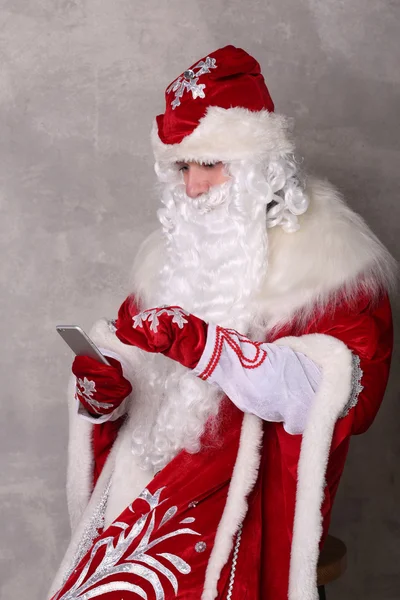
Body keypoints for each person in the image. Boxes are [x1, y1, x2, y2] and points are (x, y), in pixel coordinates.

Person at [49, 45, 395, 600]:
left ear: (262, 167)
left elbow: (333, 398)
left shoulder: (332, 270)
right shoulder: (169, 258)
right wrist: (106, 390)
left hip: (244, 497)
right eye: (183, 166)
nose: (192, 188)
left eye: (210, 164)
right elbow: (136, 368)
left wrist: (209, 347)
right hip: (152, 486)